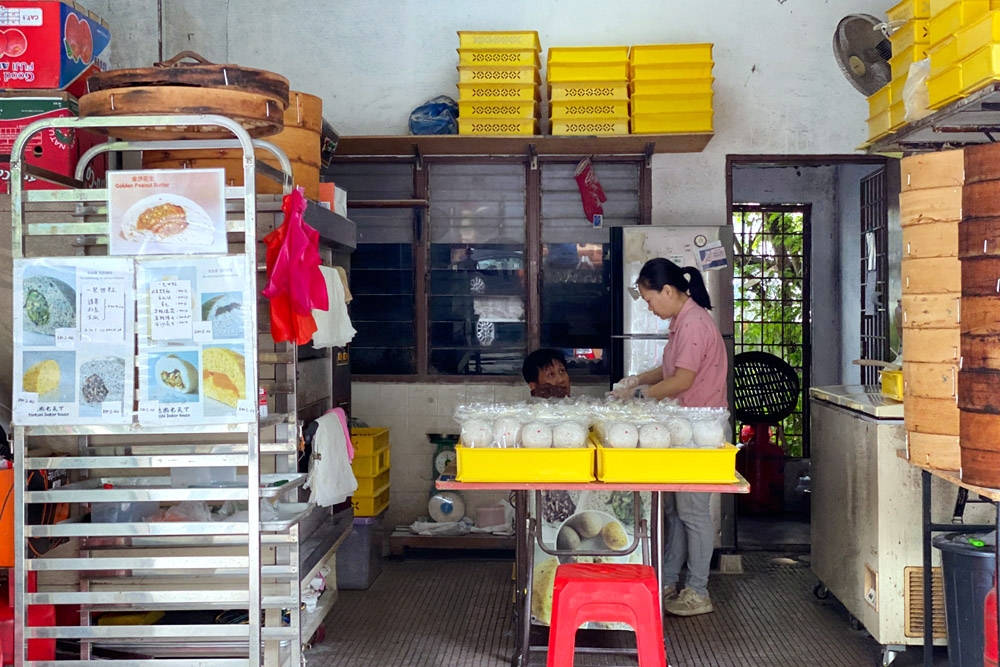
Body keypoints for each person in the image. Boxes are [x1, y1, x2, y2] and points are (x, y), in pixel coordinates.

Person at [613, 257, 727, 617]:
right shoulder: (683, 322)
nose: (649, 306)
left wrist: (640, 397)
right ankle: (669, 580)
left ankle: (698, 590)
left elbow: (682, 381)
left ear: (667, 290)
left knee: (693, 513)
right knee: (679, 511)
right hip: (688, 426)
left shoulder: (693, 323)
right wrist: (637, 379)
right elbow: (669, 369)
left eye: (649, 299)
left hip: (701, 429)